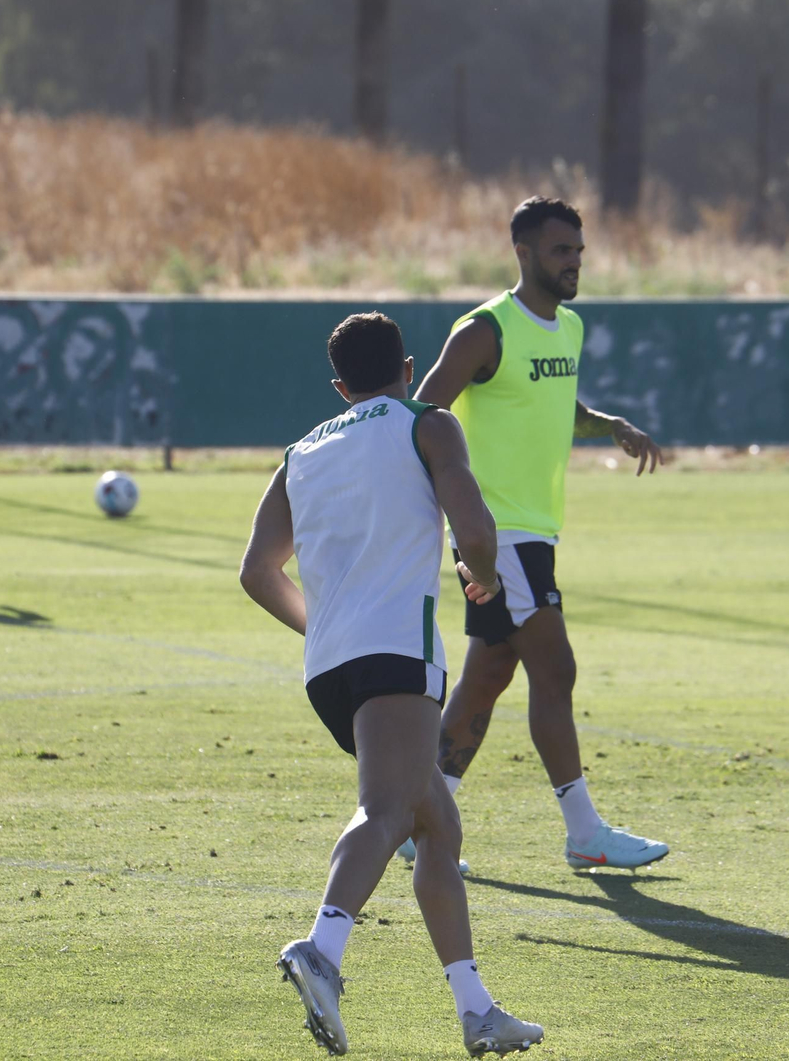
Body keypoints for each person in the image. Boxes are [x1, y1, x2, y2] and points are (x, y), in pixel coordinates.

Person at [240, 312, 543, 1057]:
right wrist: (480, 574)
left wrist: (324, 628)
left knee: (437, 824)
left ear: (340, 387)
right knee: (387, 810)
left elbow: (258, 571)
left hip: (329, 666)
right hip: (397, 654)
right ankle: (321, 950)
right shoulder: (427, 424)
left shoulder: (301, 451)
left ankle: (477, 1011)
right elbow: (475, 526)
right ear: (408, 370)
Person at [406, 196, 669, 873]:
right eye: (561, 251)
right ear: (523, 253)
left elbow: (554, 402)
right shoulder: (484, 330)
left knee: (489, 674)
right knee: (556, 668)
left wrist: (608, 424)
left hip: (535, 531)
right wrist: (451, 515)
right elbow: (421, 414)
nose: (574, 262)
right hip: (499, 533)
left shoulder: (569, 328)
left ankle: (414, 822)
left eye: (578, 250)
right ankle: (585, 833)